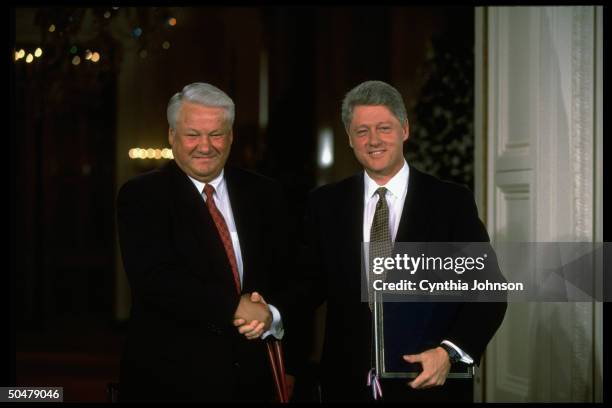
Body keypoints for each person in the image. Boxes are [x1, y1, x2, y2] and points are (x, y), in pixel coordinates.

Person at [290, 80, 507, 402]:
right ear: (349, 138)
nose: (373, 140)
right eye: (362, 131)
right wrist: (269, 311)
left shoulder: (450, 202)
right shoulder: (325, 204)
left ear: (404, 129)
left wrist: (449, 352)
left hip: (427, 385)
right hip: (346, 385)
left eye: (384, 128)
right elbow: (306, 286)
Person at [116, 82, 292, 402]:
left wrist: (272, 315)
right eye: (192, 134)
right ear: (172, 136)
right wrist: (234, 306)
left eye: (216, 134)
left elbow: (289, 272)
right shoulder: (142, 196)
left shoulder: (265, 194)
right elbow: (155, 280)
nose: (205, 146)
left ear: (232, 136)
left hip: (253, 382)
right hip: (171, 382)